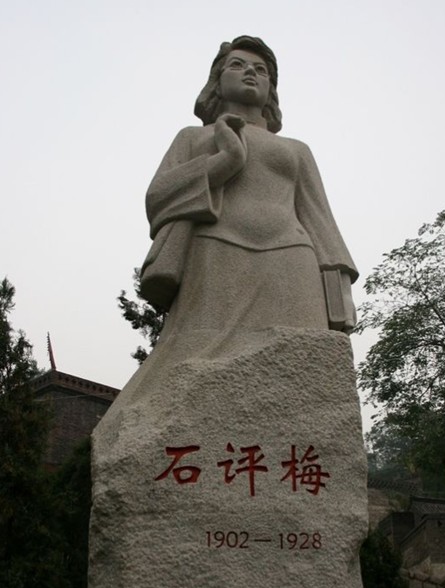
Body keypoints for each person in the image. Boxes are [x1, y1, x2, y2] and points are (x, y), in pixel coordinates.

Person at [140, 36, 358, 361]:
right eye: (238, 65)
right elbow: (158, 196)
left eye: (261, 69)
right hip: (215, 252)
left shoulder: (296, 149)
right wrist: (224, 162)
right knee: (198, 357)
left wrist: (341, 288)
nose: (250, 72)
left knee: (303, 360)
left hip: (292, 258)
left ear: (271, 88)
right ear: (217, 81)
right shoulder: (193, 137)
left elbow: (320, 220)